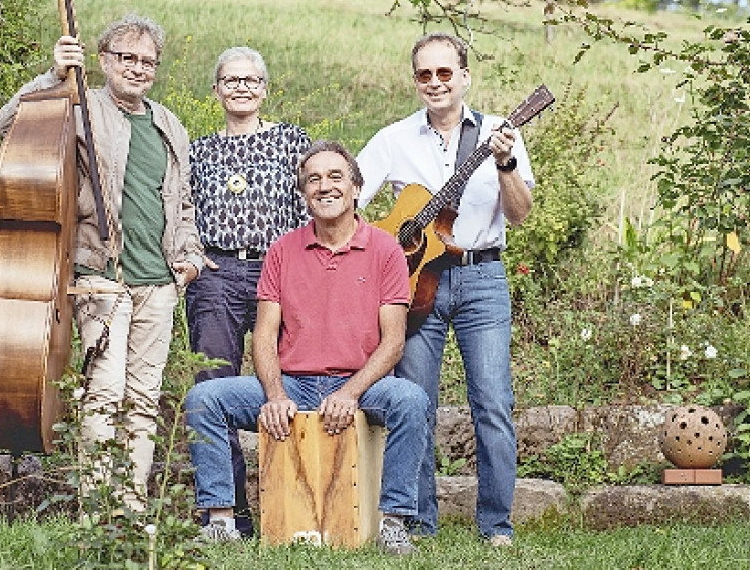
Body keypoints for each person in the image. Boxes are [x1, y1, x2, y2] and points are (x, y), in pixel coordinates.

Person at [0, 14, 204, 511]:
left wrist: (189, 258)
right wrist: (52, 77)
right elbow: (6, 126)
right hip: (103, 277)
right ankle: (98, 507)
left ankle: (129, 508)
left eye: (147, 61)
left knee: (144, 401)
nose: (136, 68)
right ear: (104, 60)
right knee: (103, 394)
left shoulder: (168, 123)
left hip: (159, 281)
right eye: (126, 58)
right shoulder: (80, 105)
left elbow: (183, 202)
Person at [183, 140, 429, 556]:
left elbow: (393, 342)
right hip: (294, 383)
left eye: (336, 177)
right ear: (303, 193)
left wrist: (350, 392)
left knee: (411, 399)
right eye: (313, 179)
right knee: (204, 398)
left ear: (355, 188)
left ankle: (393, 522)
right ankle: (220, 519)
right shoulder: (282, 250)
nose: (325, 186)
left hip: (362, 385)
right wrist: (275, 395)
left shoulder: (385, 248)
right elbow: (264, 335)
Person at [355, 33, 535, 546]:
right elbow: (348, 195)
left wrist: (503, 164)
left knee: (493, 402)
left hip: (482, 276)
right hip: (413, 286)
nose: (435, 83)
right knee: (416, 402)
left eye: (444, 73)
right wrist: (383, 245)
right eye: (424, 75)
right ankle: (419, 522)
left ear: (465, 76)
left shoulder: (501, 132)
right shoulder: (394, 138)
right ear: (416, 81)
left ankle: (497, 525)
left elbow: (520, 215)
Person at [185, 46, 311, 537]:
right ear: (216, 89)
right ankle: (227, 513)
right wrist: (194, 255)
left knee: (291, 381)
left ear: (265, 89)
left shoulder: (290, 141)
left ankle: (292, 506)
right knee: (213, 387)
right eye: (231, 80)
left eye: (251, 80)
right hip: (216, 276)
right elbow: (182, 210)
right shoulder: (199, 151)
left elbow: (309, 210)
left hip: (277, 275)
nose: (242, 87)